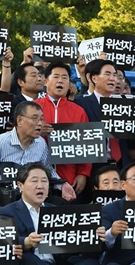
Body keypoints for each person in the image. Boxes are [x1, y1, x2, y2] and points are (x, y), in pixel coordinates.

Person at [0, 162, 110, 265]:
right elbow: (3, 243)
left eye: (44, 181)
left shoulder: (56, 210)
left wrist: (93, 236)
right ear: (20, 186)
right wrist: (26, 242)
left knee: (91, 264)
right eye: (34, 181)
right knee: (26, 259)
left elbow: (72, 247)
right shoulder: (7, 211)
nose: (40, 186)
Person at [0, 101, 76, 201]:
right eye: (34, 118)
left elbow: (48, 170)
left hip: (30, 197)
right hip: (1, 197)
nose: (40, 123)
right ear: (19, 120)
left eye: (41, 119)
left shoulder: (40, 143)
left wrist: (62, 185)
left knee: (58, 203)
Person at [34, 62, 91, 199]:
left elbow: (88, 145)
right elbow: (20, 137)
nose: (60, 80)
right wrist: (35, 133)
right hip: (37, 179)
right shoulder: (33, 108)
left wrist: (83, 174)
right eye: (56, 77)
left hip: (69, 179)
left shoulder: (79, 111)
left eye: (65, 77)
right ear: (46, 81)